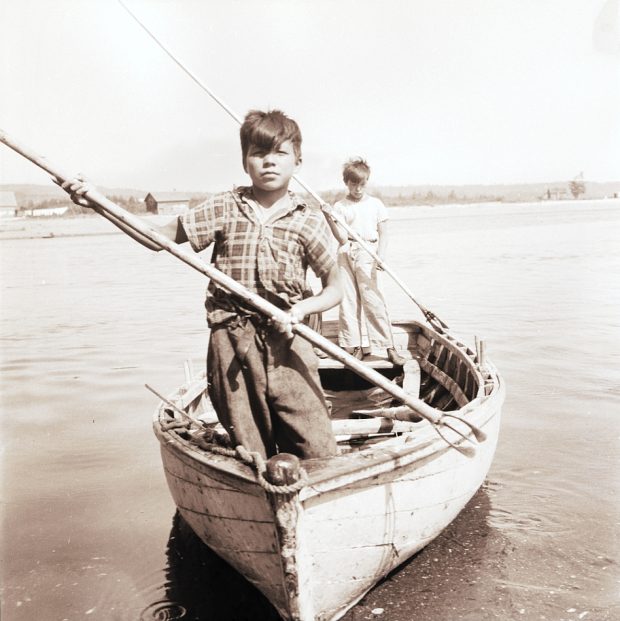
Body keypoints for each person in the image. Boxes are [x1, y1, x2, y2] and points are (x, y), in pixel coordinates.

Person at [61, 109, 341, 460]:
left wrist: (300, 310)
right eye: (258, 153)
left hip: (289, 340)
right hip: (232, 341)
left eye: (280, 153)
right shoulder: (226, 207)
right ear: (245, 162)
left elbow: (335, 288)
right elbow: (156, 239)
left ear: (298, 162)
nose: (269, 162)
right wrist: (98, 205)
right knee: (251, 449)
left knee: (317, 446)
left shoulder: (308, 221)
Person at [323, 157, 405, 366]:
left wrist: (382, 255)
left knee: (373, 300)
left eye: (362, 184)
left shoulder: (376, 204)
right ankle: (355, 346)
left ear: (367, 182)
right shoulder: (340, 206)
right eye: (353, 183)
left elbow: (384, 232)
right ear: (346, 182)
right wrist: (328, 218)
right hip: (346, 251)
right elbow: (341, 238)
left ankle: (388, 347)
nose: (358, 188)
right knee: (349, 301)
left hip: (369, 251)